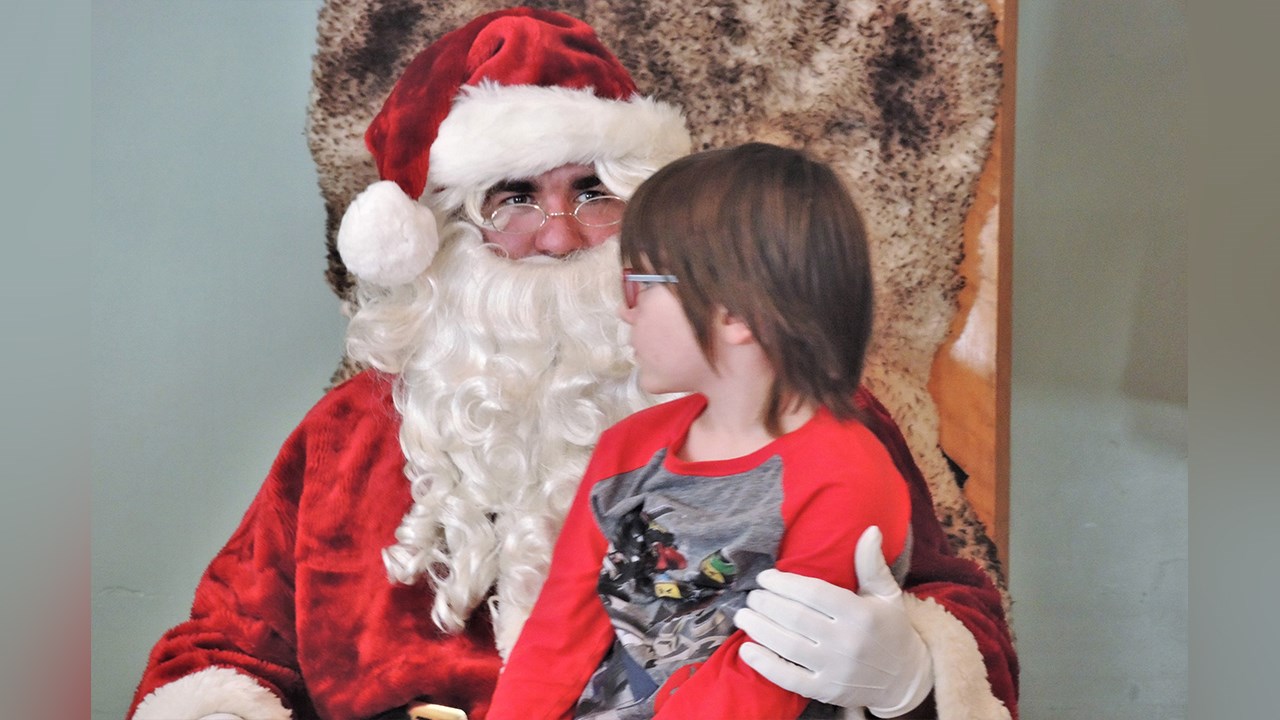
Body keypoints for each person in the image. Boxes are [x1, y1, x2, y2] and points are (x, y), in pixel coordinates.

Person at [127, 8, 1017, 720]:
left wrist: (911, 675)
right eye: (514, 199)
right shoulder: (348, 435)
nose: (558, 237)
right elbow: (223, 652)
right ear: (437, 238)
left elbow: (957, 606)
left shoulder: (812, 409)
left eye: (594, 194)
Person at [487, 142, 919, 719]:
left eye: (641, 282)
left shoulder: (846, 475)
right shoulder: (629, 446)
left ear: (736, 310)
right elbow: (556, 635)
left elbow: (758, 689)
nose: (625, 309)